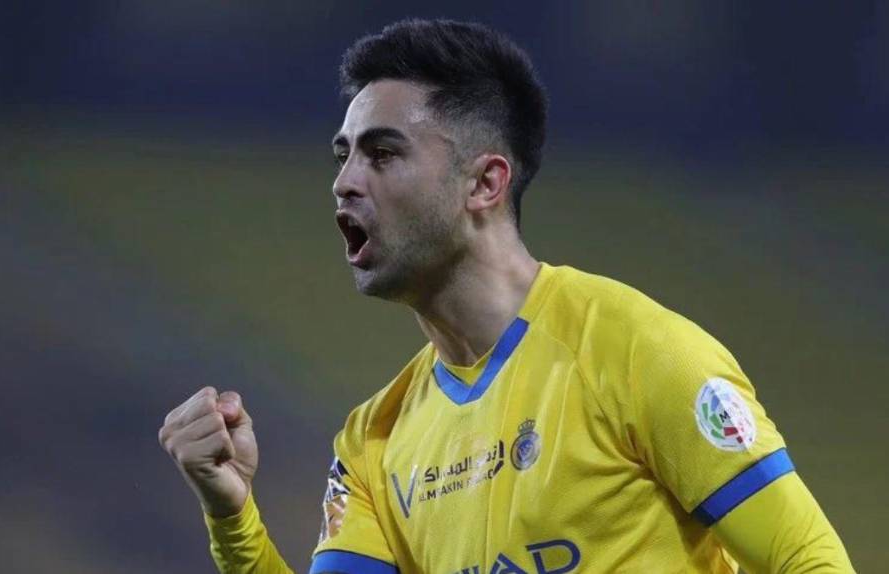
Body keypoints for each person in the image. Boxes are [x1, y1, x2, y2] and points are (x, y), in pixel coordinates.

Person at [158, 19, 854, 573]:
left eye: (383, 153)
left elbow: (807, 560)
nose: (344, 181)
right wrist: (233, 517)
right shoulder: (374, 439)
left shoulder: (637, 350)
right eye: (343, 155)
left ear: (485, 183)